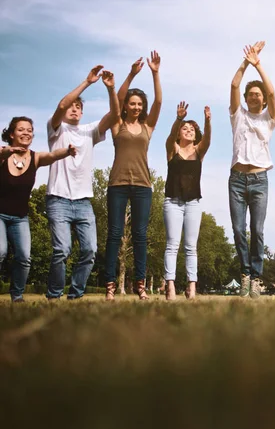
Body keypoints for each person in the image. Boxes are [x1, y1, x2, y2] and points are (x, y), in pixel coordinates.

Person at [45, 66, 119, 300]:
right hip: (58, 198)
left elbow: (114, 116)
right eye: (72, 106)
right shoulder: (56, 129)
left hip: (83, 202)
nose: (74, 108)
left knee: (89, 250)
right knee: (62, 250)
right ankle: (54, 295)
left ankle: (75, 295)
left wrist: (111, 89)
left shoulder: (89, 132)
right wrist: (87, 82)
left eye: (79, 106)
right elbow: (60, 106)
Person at [104, 51, 162, 301]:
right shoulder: (118, 124)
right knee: (114, 234)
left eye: (140, 104)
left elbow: (159, 102)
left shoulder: (148, 127)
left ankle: (140, 285)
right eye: (132, 103)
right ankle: (109, 286)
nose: (136, 107)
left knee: (140, 235)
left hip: (142, 186)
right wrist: (130, 75)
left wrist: (155, 73)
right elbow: (116, 98)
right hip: (117, 184)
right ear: (126, 105)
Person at [0, 117, 76, 302]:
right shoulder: (3, 154)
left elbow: (52, 156)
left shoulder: (34, 158)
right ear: (11, 134)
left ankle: (17, 296)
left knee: (24, 257)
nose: (26, 133)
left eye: (29, 130)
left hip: (20, 218)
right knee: (0, 251)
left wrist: (67, 151)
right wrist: (7, 152)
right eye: (21, 130)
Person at [229, 41, 275, 299]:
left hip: (260, 179)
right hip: (237, 180)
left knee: (257, 231)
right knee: (239, 229)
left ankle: (257, 278)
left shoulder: (270, 119)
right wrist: (246, 63)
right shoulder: (238, 115)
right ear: (247, 99)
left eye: (258, 94)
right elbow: (235, 85)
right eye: (252, 94)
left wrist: (259, 66)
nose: (255, 96)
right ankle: (245, 273)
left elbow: (272, 93)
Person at [163, 101, 211, 301]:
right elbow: (169, 137)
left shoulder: (199, 152)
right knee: (172, 244)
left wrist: (207, 122)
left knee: (191, 246)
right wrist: (179, 119)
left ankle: (192, 287)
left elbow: (207, 139)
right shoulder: (172, 149)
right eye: (185, 128)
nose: (189, 130)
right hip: (173, 202)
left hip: (193, 203)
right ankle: (170, 286)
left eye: (192, 129)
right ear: (179, 132)